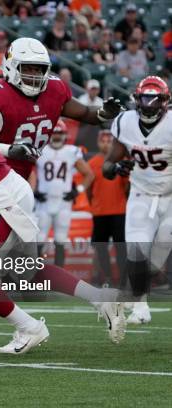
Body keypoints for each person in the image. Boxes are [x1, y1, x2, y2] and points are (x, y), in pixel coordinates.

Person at [0, 37, 126, 348]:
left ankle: (26, 327)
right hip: (4, 187)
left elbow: (88, 114)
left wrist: (104, 113)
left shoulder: (55, 89)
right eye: (27, 69)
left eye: (40, 69)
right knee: (19, 267)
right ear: (11, 67)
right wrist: (7, 149)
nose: (34, 76)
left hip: (2, 194)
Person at [103, 75, 172, 325]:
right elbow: (107, 165)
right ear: (136, 99)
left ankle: (137, 291)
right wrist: (115, 168)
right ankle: (140, 307)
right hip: (141, 193)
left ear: (165, 102)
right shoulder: (125, 122)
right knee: (137, 251)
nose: (150, 104)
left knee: (156, 260)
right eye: (145, 98)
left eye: (156, 99)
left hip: (170, 197)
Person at [34, 119, 94, 267]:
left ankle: (59, 277)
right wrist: (33, 191)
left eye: (59, 133)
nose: (56, 136)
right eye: (54, 133)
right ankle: (34, 275)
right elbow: (28, 172)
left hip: (63, 202)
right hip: (43, 201)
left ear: (65, 135)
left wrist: (77, 191)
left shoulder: (71, 152)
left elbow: (89, 174)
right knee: (38, 239)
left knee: (61, 239)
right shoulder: (40, 150)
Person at [88, 129, 129, 287]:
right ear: (98, 142)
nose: (105, 144)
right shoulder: (92, 163)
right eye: (102, 141)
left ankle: (123, 281)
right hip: (100, 212)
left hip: (119, 211)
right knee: (101, 248)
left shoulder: (121, 162)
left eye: (108, 141)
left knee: (121, 249)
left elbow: (126, 187)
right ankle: (108, 279)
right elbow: (89, 189)